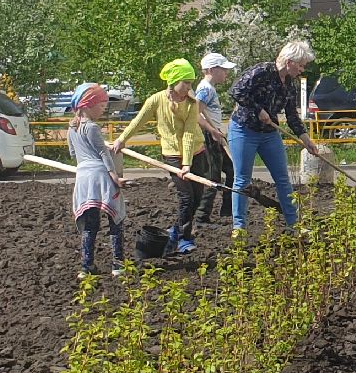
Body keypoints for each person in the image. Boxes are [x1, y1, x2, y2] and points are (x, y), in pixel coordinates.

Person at [112, 58, 224, 255]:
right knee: (186, 198)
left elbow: (190, 133)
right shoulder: (156, 100)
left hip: (196, 153)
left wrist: (187, 164)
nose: (189, 87)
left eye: (191, 82)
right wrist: (122, 139)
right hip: (172, 155)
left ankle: (176, 230)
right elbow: (138, 121)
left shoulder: (191, 104)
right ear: (174, 82)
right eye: (186, 83)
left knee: (197, 198)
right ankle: (183, 238)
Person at [228, 41, 313, 232]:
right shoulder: (261, 71)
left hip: (269, 134)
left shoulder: (289, 85)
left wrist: (306, 139)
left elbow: (291, 115)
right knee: (242, 179)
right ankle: (239, 228)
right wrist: (258, 110)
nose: (301, 69)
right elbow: (236, 91)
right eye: (300, 65)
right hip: (244, 130)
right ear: (290, 61)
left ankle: (295, 224)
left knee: (283, 179)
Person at [64, 83, 128, 278]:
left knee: (90, 223)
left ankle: (86, 266)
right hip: (100, 176)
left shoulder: (71, 129)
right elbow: (102, 153)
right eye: (101, 106)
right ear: (89, 105)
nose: (103, 110)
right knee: (115, 219)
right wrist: (114, 176)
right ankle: (117, 265)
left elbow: (73, 153)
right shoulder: (91, 127)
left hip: (83, 177)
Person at [193, 53, 236, 226]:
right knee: (213, 176)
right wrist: (212, 130)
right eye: (223, 69)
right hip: (209, 136)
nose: (226, 73)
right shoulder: (205, 90)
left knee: (232, 169)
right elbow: (195, 114)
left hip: (215, 133)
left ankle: (228, 210)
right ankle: (202, 216)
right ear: (212, 70)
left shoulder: (208, 88)